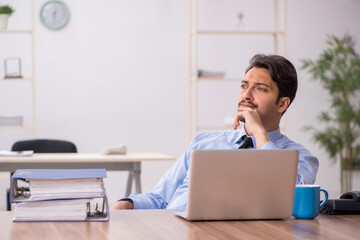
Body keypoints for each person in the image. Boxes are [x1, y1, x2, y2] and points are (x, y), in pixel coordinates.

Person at [111, 54, 319, 210]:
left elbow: (287, 198)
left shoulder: (300, 157)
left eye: (260, 89)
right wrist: (127, 204)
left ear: (282, 104)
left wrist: (258, 132)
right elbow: (160, 198)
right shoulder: (204, 143)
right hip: (172, 228)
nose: (246, 95)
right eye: (244, 86)